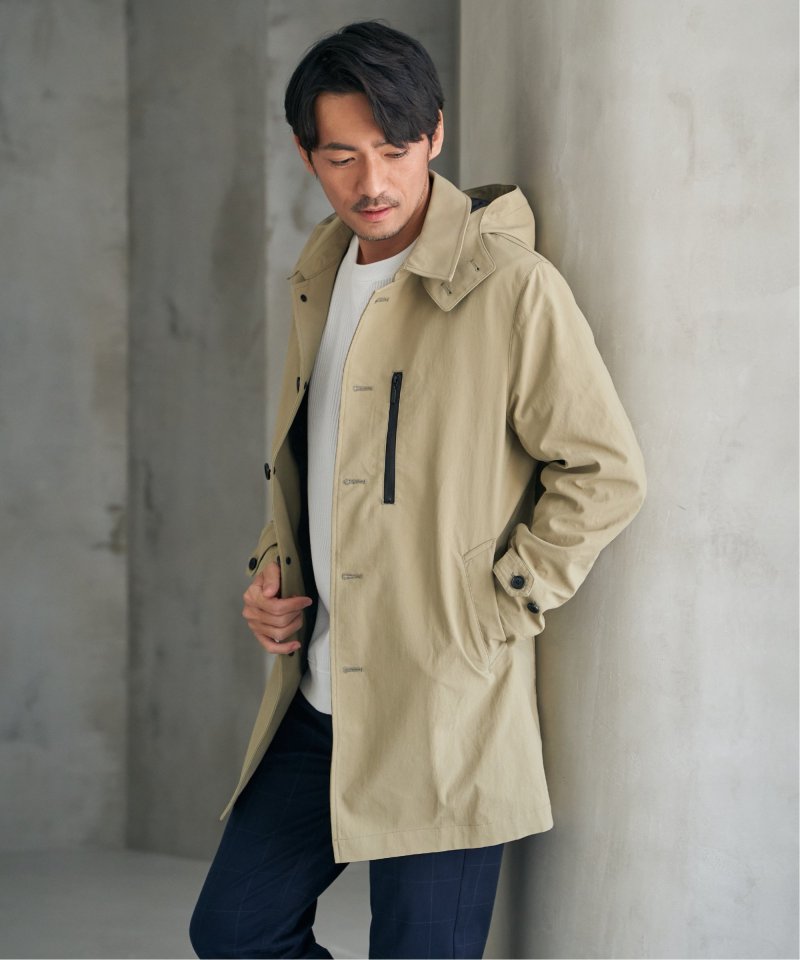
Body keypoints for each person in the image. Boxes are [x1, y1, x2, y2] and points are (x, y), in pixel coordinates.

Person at [190, 19, 646, 960]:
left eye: (395, 150)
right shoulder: (320, 275)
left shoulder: (511, 288)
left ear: (435, 135)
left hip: (444, 706)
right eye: (342, 157)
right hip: (322, 698)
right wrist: (274, 572)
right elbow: (318, 460)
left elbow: (603, 469)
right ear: (306, 155)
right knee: (235, 930)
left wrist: (494, 604)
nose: (373, 182)